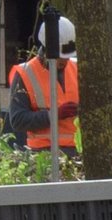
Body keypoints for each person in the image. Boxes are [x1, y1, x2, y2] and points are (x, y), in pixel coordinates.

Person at [5, 13, 79, 155]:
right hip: (42, 154)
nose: (65, 61)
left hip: (79, 152)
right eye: (61, 57)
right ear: (46, 50)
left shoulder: (77, 68)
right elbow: (17, 120)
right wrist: (53, 115)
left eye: (67, 56)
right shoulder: (25, 73)